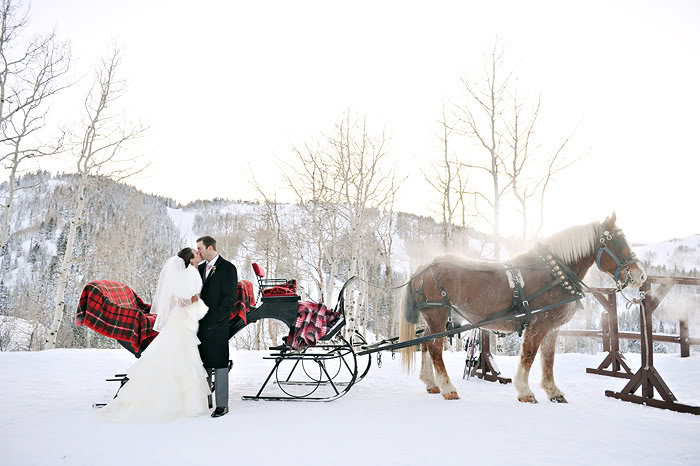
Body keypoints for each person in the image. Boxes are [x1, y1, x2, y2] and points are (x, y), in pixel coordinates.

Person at [99, 248, 211, 423]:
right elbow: (179, 300)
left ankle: (184, 402)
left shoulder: (190, 272)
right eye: (196, 254)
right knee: (177, 355)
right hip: (179, 320)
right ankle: (173, 402)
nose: (199, 254)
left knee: (181, 356)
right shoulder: (181, 275)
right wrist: (195, 299)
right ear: (189, 260)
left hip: (185, 320)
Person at [196, 235, 237, 418]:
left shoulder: (228, 268)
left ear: (210, 247)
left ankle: (222, 405)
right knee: (202, 363)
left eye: (200, 248)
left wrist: (218, 320)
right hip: (199, 324)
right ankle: (206, 402)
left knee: (220, 363)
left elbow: (229, 298)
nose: (198, 252)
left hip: (218, 325)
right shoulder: (200, 268)